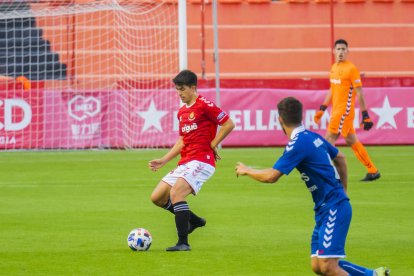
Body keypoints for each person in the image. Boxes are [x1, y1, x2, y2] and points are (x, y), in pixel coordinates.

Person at [235, 97, 389, 275]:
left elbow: (271, 177)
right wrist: (343, 189)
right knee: (317, 265)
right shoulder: (311, 136)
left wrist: (247, 170)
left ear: (280, 119)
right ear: (301, 117)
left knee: (328, 266)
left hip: (333, 207)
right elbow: (340, 158)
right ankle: (373, 274)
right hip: (326, 208)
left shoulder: (297, 143)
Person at [149, 69, 235, 251]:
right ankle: (194, 220)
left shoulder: (205, 105)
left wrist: (213, 144)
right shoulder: (181, 112)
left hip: (202, 161)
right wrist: (164, 160)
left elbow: (228, 124)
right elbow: (182, 140)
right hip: (186, 161)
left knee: (176, 194)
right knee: (157, 197)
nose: (179, 93)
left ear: (193, 87)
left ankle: (183, 243)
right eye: (177, 90)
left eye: (182, 89)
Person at [314, 39, 380, 182]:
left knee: (328, 139)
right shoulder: (333, 68)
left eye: (344, 49)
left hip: (343, 111)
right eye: (338, 49)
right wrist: (323, 108)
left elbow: (360, 93)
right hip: (336, 110)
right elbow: (332, 89)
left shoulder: (351, 69)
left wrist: (365, 115)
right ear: (334, 51)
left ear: (348, 51)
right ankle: (372, 170)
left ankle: (327, 174)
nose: (341, 52)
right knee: (351, 140)